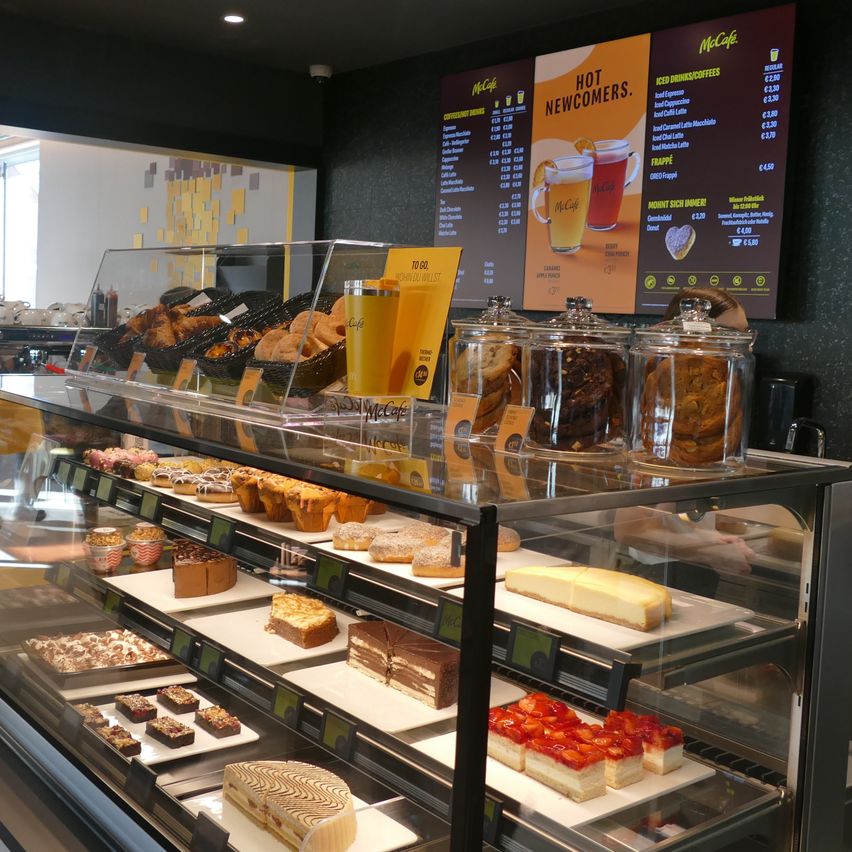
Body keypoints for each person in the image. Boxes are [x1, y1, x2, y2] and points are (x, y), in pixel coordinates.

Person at [614, 289, 754, 597]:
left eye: (745, 335)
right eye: (729, 334)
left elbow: (670, 512)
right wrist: (707, 550)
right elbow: (631, 529)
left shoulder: (709, 417)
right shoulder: (659, 418)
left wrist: (710, 538)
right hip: (652, 576)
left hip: (683, 570)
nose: (738, 344)